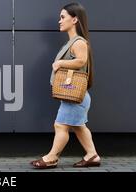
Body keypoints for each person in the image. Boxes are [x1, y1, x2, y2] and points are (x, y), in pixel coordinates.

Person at [31, 2, 101, 169]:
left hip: (75, 96)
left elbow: (81, 61)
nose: (59, 21)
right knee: (79, 127)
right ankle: (92, 155)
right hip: (78, 96)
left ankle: (51, 158)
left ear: (75, 19)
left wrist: (60, 63)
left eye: (63, 17)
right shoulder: (72, 42)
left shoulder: (78, 42)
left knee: (60, 125)